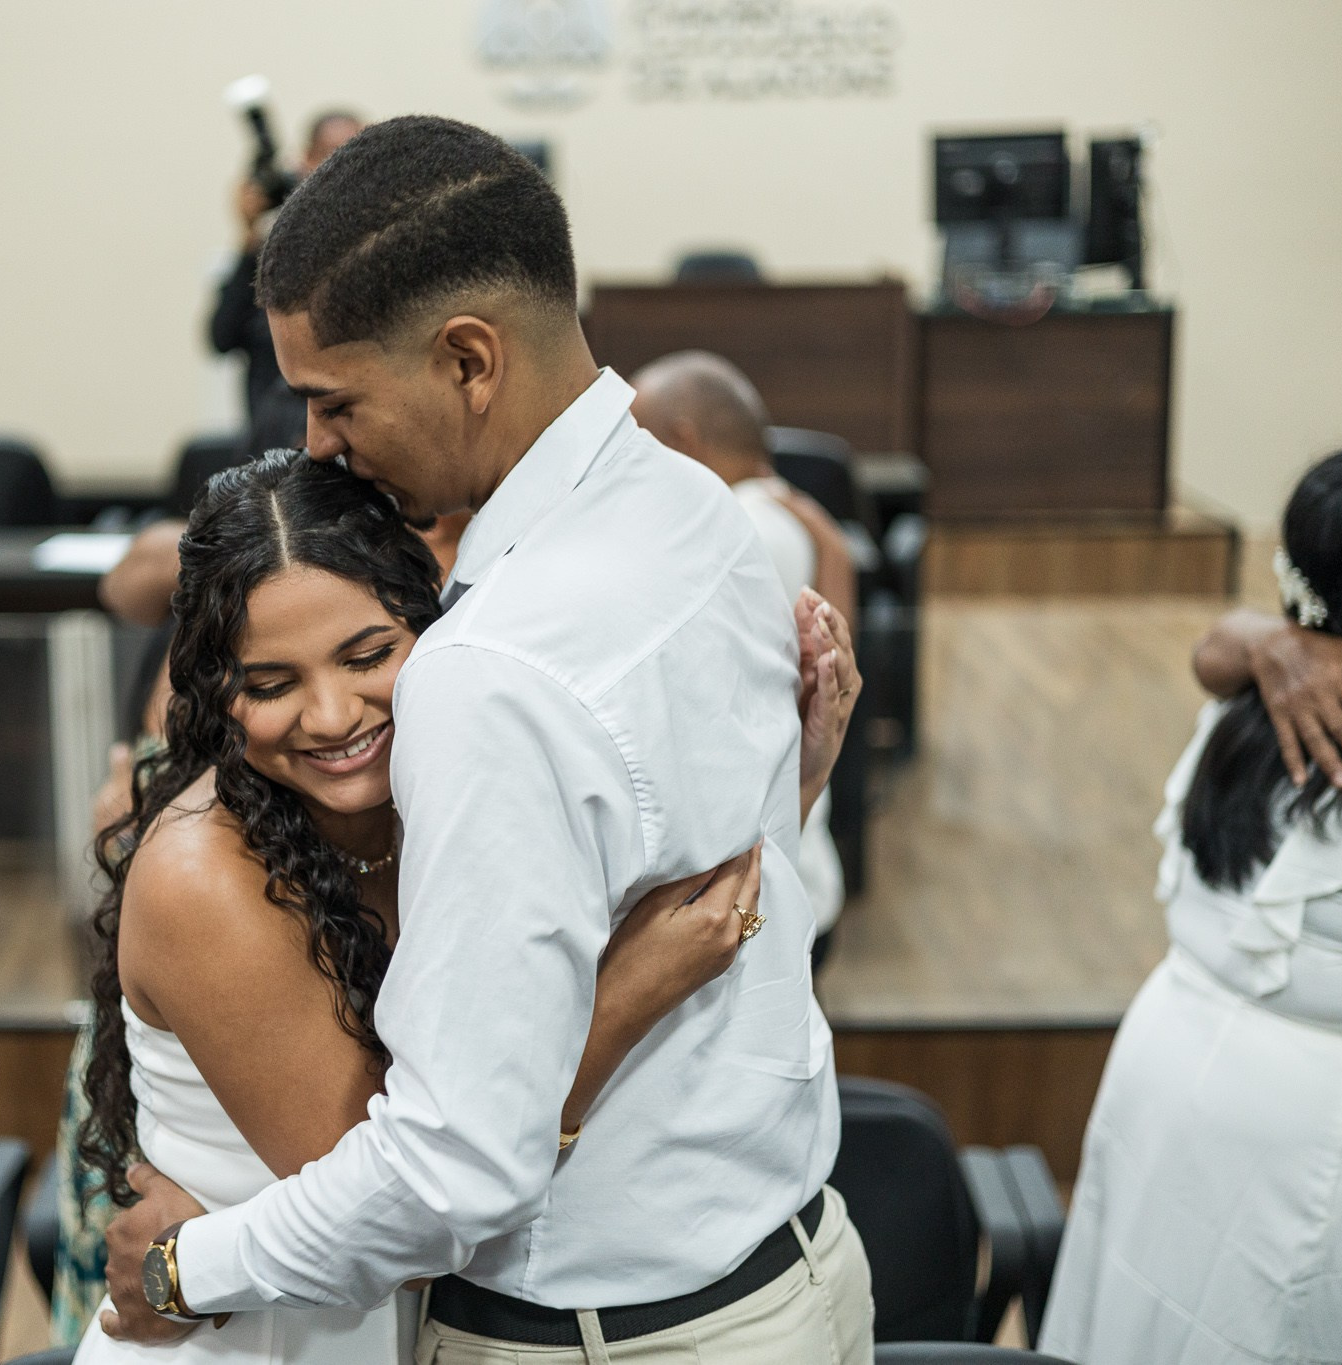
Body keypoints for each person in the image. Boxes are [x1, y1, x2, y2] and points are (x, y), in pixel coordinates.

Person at [103, 116, 872, 1363]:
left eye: (333, 399)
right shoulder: (702, 511)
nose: (316, 447)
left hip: (615, 1332)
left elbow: (456, 1167)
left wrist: (192, 1263)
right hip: (793, 1264)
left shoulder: (484, 672)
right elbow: (691, 863)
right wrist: (795, 786)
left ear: (468, 359)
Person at [73, 451, 768, 1363]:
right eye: (272, 683)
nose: (330, 715)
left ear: (433, 628)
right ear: (217, 694)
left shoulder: (441, 793)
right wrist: (625, 998)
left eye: (367, 656)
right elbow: (406, 1214)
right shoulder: (203, 874)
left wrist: (792, 785)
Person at [1040, 442, 1342, 1364]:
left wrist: (1263, 637)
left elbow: (1216, 649)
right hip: (1323, 1147)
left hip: (1174, 1075)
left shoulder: (1263, 693)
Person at [630, 349, 855, 966]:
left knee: (737, 1019)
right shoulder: (792, 514)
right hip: (787, 872)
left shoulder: (736, 530)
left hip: (759, 897)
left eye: (636, 444)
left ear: (680, 441)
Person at [210, 110, 366, 443]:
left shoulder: (378, 255)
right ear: (304, 162)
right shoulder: (272, 257)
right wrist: (249, 233)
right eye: (330, 156)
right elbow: (221, 338)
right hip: (273, 446)